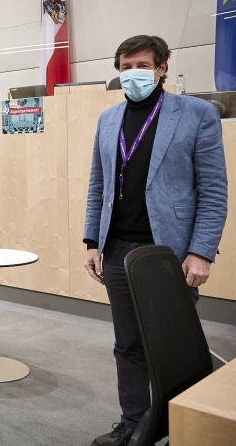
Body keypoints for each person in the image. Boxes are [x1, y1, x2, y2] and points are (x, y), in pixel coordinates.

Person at [83, 35, 228, 446]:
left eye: (141, 65)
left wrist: (201, 252)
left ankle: (179, 430)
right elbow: (99, 185)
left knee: (171, 348)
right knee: (127, 345)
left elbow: (214, 190)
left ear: (162, 68)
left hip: (170, 253)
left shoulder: (197, 114)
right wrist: (93, 241)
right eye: (125, 67)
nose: (133, 74)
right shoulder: (109, 120)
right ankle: (134, 428)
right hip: (118, 251)